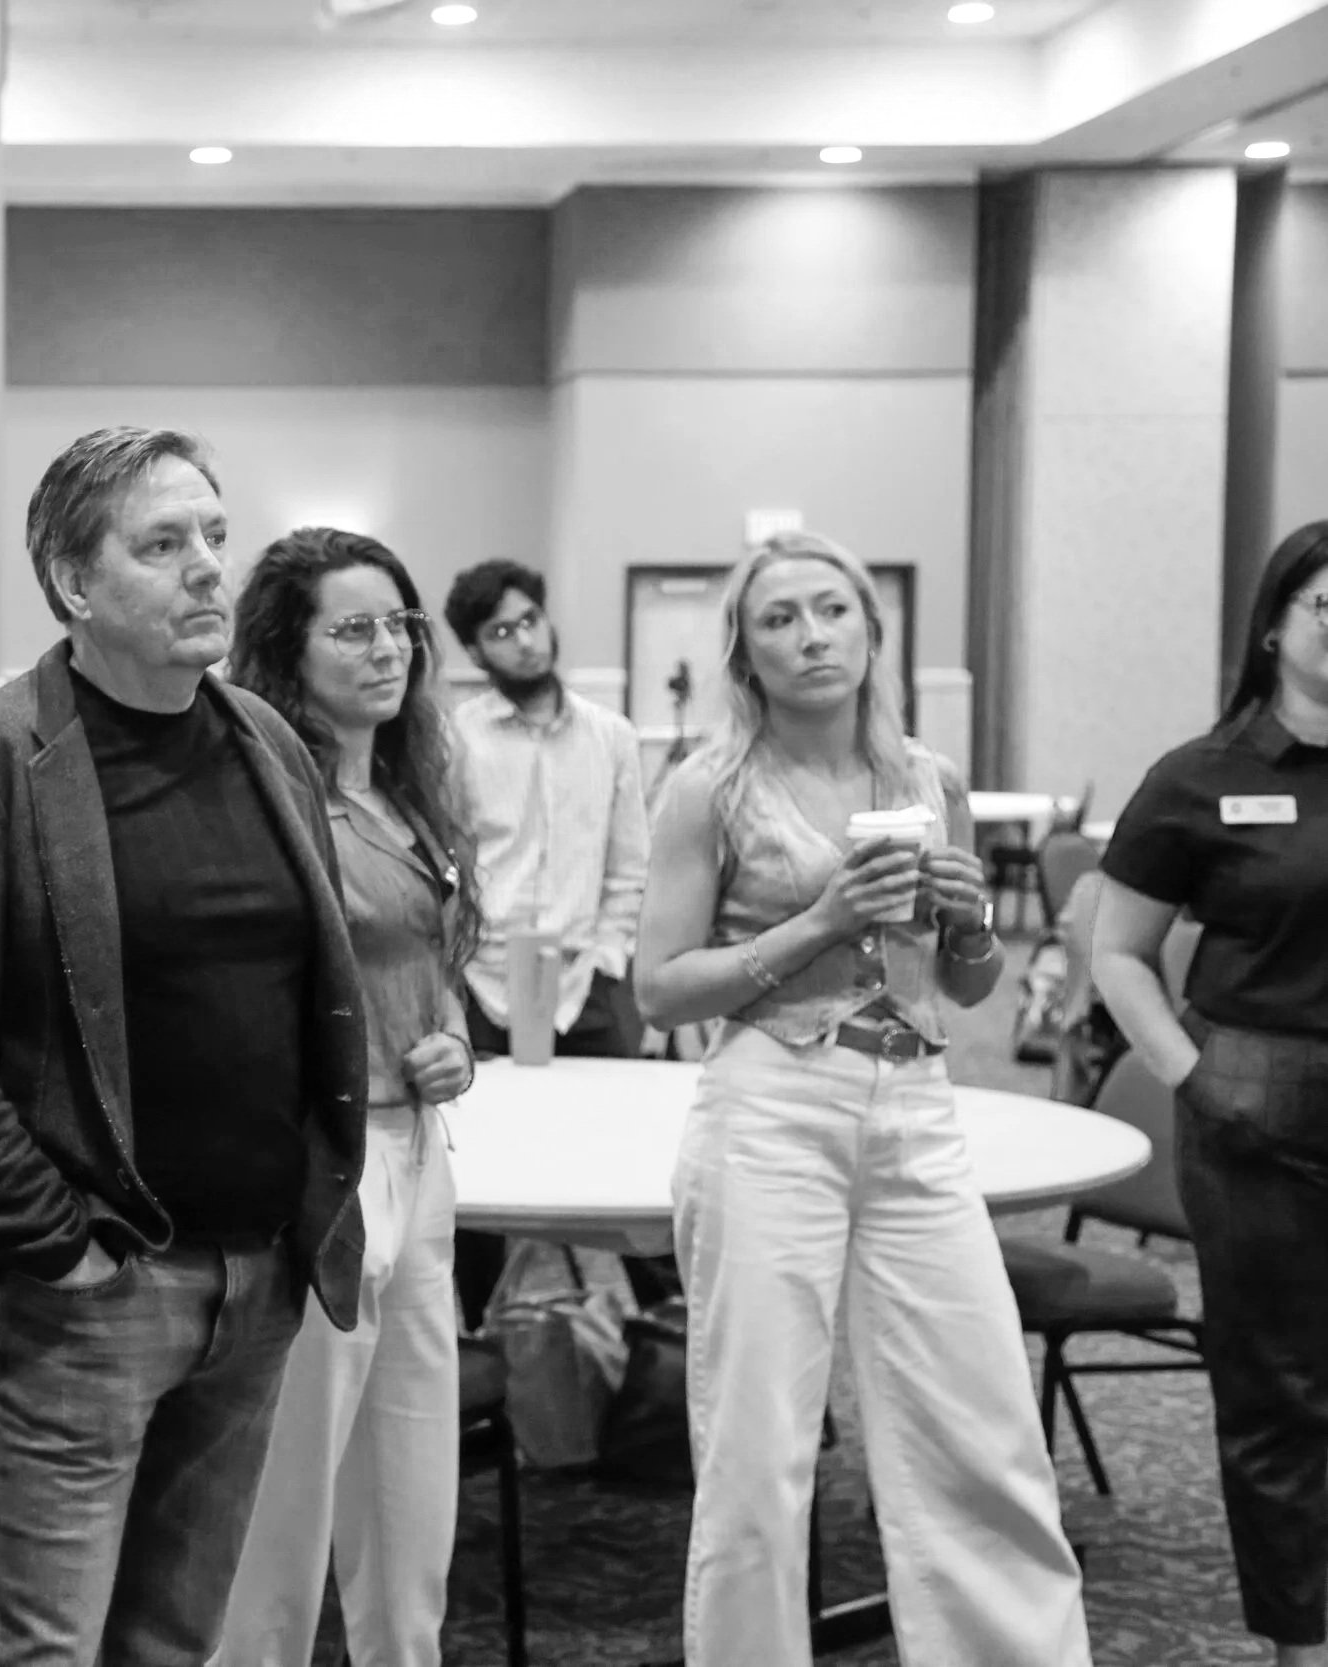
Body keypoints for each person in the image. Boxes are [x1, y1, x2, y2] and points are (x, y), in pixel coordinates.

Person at [0, 427, 370, 1667]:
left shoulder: (265, 741)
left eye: (214, 533)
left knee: (169, 1639)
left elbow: (312, 988)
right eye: (161, 543)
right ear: (73, 581)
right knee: (44, 1645)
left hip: (257, 1274)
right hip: (91, 1289)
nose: (207, 565)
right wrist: (55, 1242)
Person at [633, 531, 1090, 1666]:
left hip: (916, 1100)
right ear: (744, 650)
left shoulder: (929, 779)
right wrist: (822, 921)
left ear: (872, 630)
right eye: (779, 617)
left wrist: (972, 921)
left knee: (982, 1429)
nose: (812, 636)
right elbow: (660, 985)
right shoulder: (708, 787)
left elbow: (967, 983)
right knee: (757, 1452)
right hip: (769, 1104)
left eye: (832, 610)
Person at [217, 529, 478, 1667]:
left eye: (401, 624)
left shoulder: (409, 789)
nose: (389, 649)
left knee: (413, 1490)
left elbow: (427, 959)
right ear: (289, 649)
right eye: (355, 628)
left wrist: (454, 1036)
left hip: (419, 1151)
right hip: (321, 1163)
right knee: (287, 1493)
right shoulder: (273, 796)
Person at [1092, 520, 1328, 1667]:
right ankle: (1302, 1644)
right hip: (1258, 1101)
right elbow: (1116, 953)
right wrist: (1193, 1076)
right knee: (1281, 1388)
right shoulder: (1200, 777)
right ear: (1274, 625)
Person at [443, 560, 647, 1060]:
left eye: (530, 620)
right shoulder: (455, 739)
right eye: (501, 632)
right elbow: (446, 862)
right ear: (475, 652)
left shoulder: (611, 735)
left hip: (585, 981)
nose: (525, 641)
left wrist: (608, 955)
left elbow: (629, 865)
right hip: (484, 981)